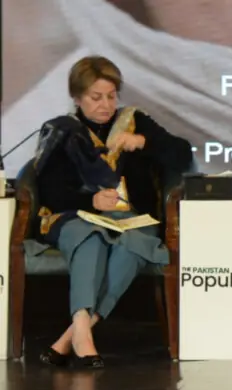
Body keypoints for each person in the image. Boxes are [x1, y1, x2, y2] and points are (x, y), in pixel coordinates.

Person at [34, 55, 194, 369]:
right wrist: (89, 203)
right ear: (77, 98)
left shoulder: (134, 121)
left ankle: (75, 335)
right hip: (75, 216)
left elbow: (183, 155)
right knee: (90, 237)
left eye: (111, 96)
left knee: (134, 243)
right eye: (96, 98)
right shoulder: (63, 131)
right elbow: (49, 190)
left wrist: (143, 142)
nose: (106, 104)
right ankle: (81, 324)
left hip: (131, 217)